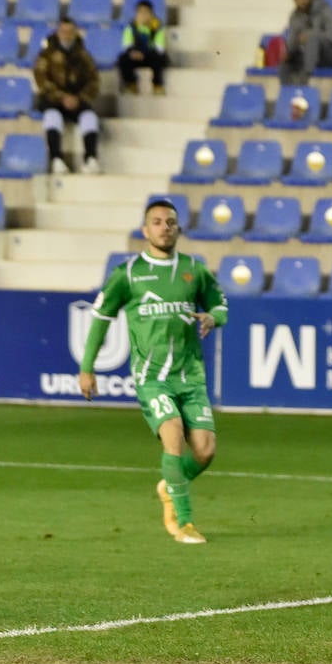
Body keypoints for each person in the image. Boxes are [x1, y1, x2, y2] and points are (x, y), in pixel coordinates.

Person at [77, 200, 228, 545]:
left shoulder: (195, 270)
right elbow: (101, 320)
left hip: (190, 376)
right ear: (145, 231)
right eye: (157, 222)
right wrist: (87, 368)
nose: (164, 227)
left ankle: (171, 484)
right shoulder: (127, 275)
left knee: (205, 451)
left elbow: (220, 304)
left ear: (178, 229)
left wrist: (212, 317)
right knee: (172, 434)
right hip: (152, 377)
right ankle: (185, 523)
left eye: (170, 222)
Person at [33, 17, 102, 175]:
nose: (67, 35)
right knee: (52, 116)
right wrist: (62, 97)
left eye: (70, 32)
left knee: (90, 117)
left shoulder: (84, 56)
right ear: (58, 32)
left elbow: (94, 81)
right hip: (53, 100)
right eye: (63, 31)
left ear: (75, 33)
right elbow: (41, 80)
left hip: (78, 100)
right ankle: (56, 159)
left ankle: (91, 158)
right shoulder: (46, 55)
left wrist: (80, 98)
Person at [279, 0, 332, 86]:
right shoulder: (295, 17)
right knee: (284, 65)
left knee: (311, 38)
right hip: (306, 55)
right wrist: (288, 52)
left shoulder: (324, 10)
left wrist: (312, 34)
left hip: (329, 54)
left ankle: (304, 81)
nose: (302, 0)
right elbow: (293, 40)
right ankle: (287, 94)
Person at [117, 0, 168, 95]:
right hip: (135, 56)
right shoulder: (131, 27)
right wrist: (133, 52)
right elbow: (127, 45)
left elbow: (159, 48)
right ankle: (131, 84)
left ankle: (157, 85)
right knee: (123, 58)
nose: (143, 15)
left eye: (146, 12)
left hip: (150, 56)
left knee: (160, 58)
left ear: (151, 14)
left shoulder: (157, 27)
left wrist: (144, 53)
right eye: (140, 12)